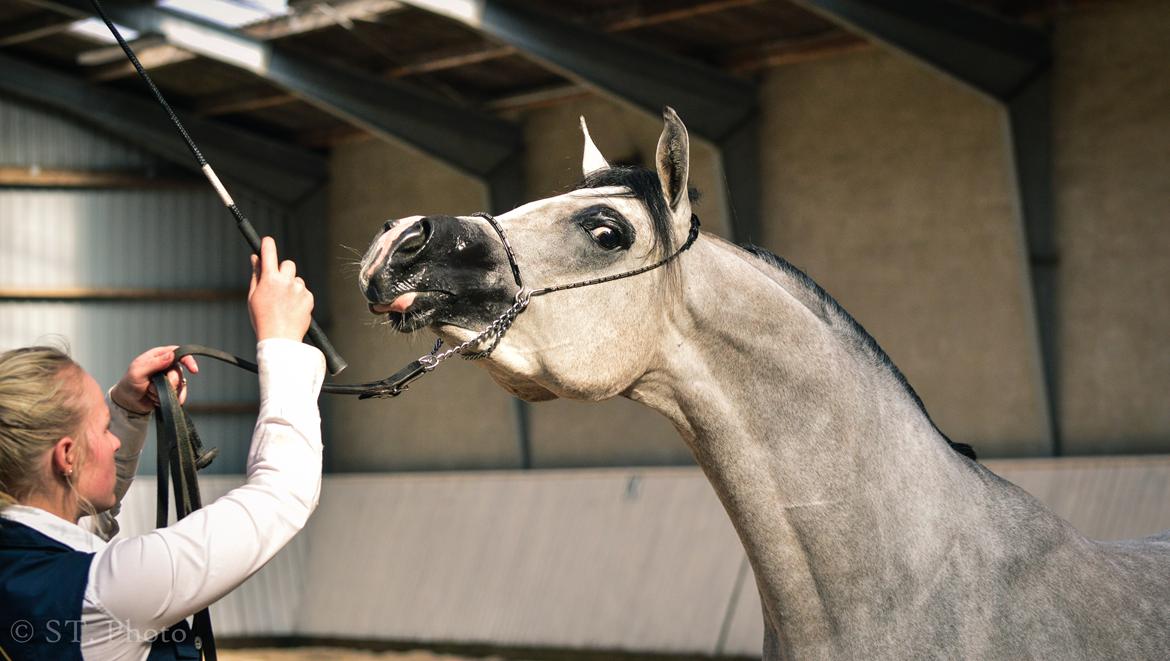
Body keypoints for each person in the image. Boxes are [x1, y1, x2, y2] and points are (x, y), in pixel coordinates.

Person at [0, 237, 322, 660]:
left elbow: (79, 532)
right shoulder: (109, 591)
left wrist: (125, 411)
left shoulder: (26, 566)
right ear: (66, 457)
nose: (113, 439)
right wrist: (280, 341)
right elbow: (281, 495)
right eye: (102, 428)